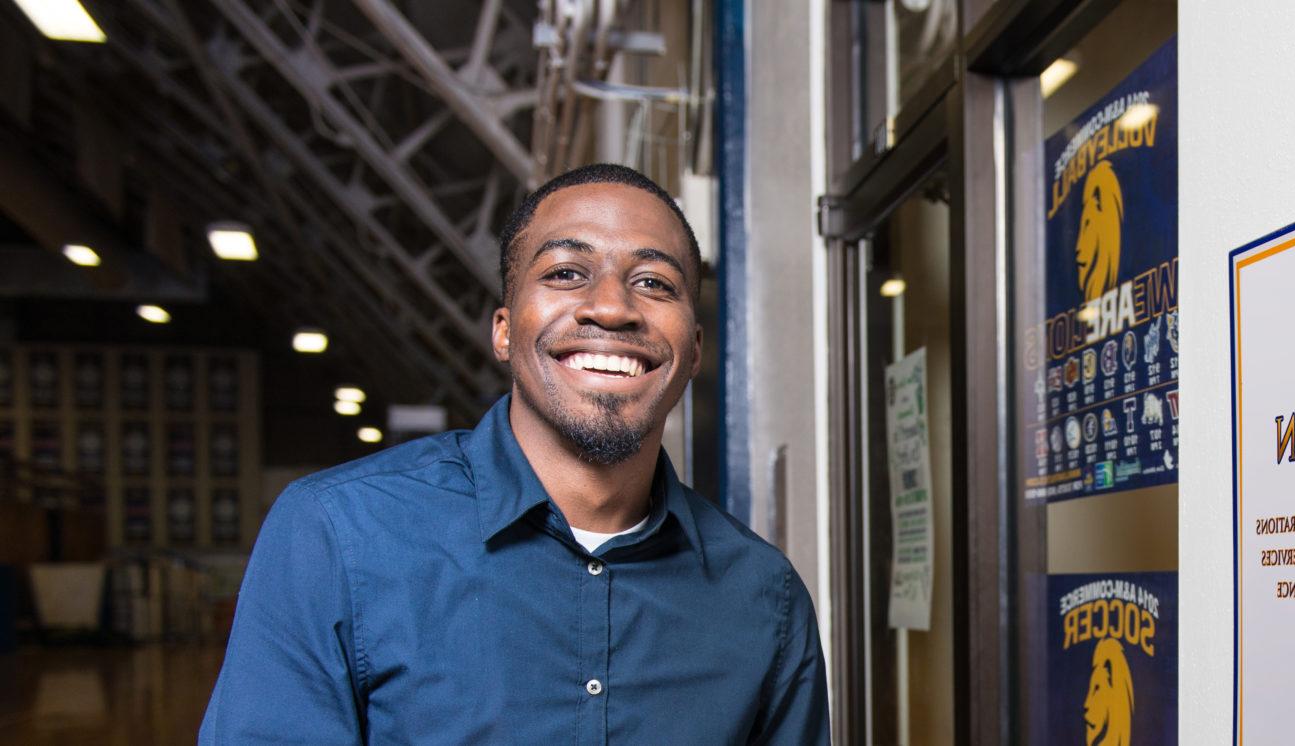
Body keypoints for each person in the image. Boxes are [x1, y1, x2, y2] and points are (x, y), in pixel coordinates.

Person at [200, 164, 828, 744]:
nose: (610, 307)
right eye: (565, 273)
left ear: (692, 351)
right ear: (504, 329)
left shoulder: (763, 598)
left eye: (653, 282)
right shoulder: (337, 536)